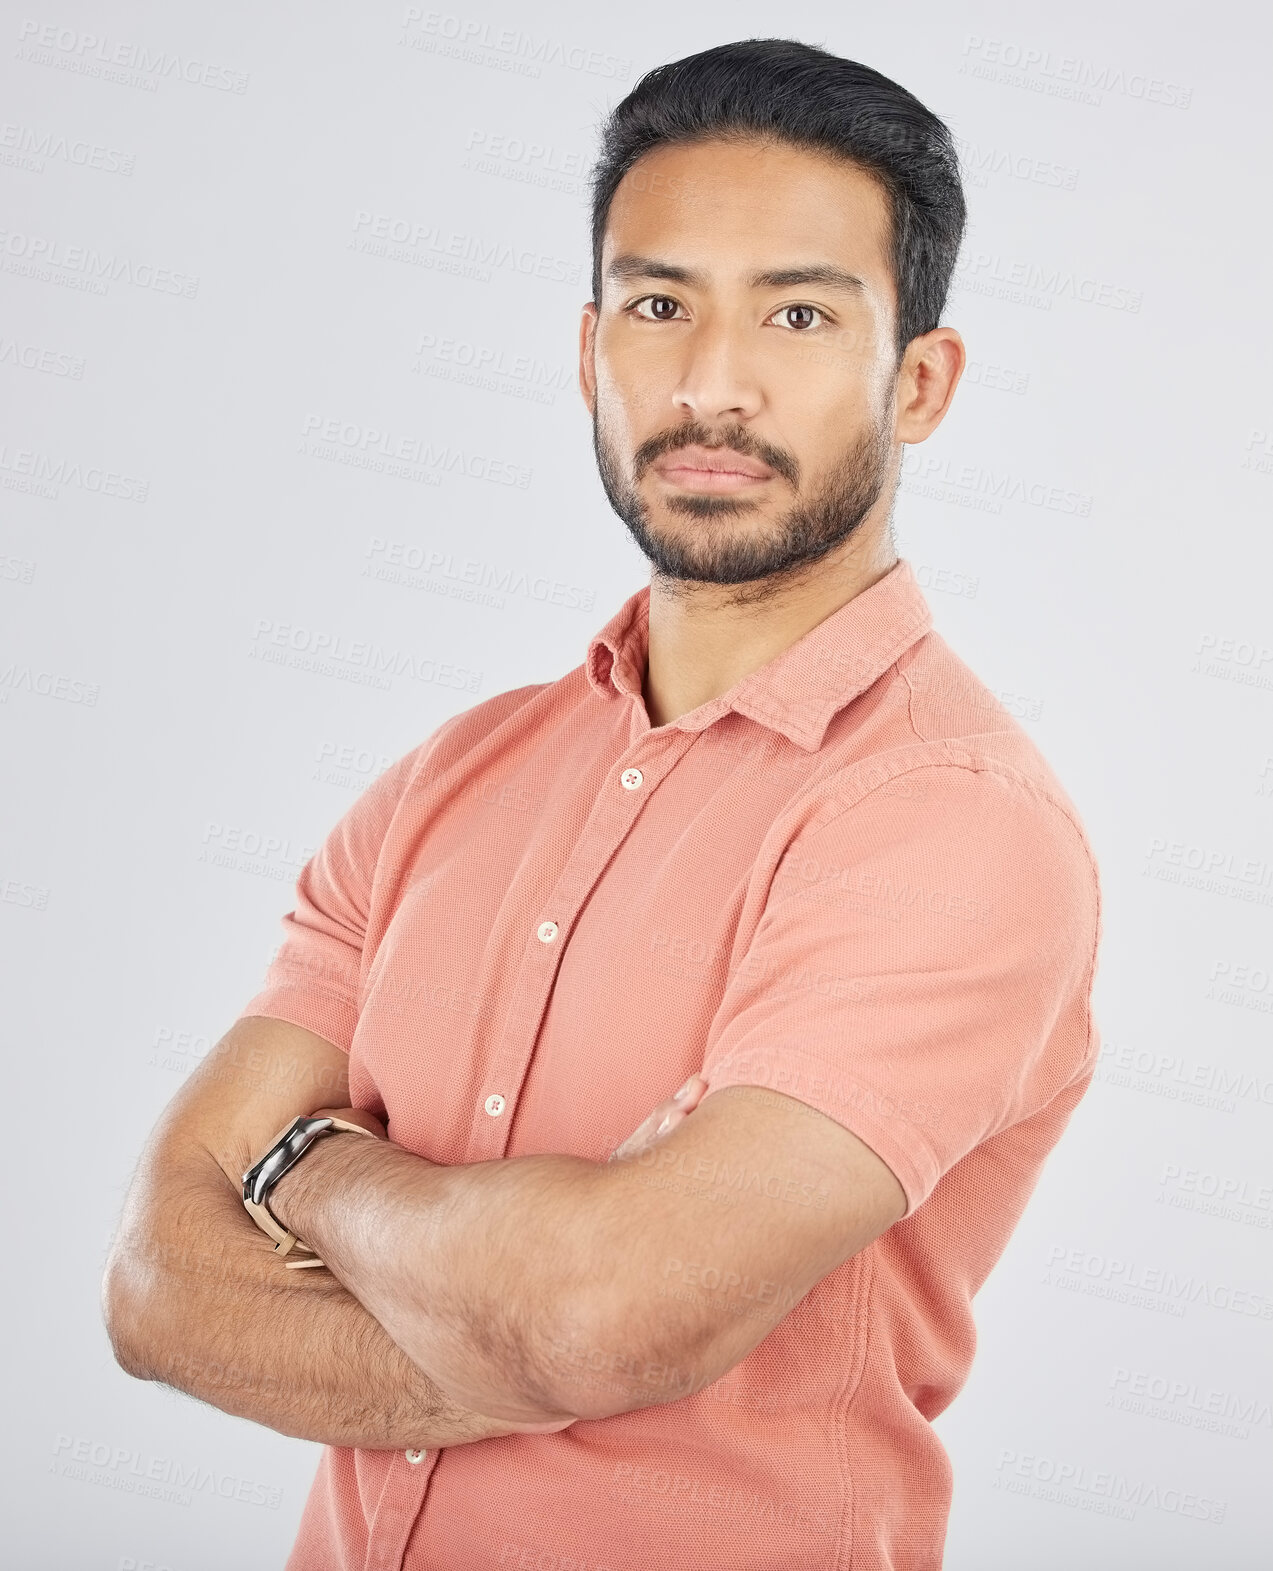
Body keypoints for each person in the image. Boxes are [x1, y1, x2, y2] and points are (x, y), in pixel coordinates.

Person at [103, 37, 1102, 1571]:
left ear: (918, 380)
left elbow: (598, 1319)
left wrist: (312, 1169)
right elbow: (161, 1290)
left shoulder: (944, 822)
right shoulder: (451, 779)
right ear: (587, 353)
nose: (712, 381)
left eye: (796, 311)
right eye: (657, 306)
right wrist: (529, 1324)